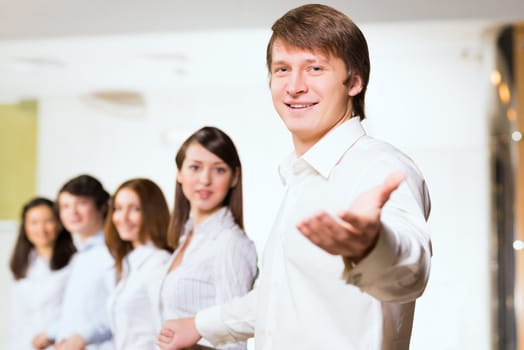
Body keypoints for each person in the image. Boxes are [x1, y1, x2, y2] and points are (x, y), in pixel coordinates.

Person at [157, 4, 432, 350]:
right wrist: (199, 324)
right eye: (282, 69)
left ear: (355, 82)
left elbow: (411, 272)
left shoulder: (380, 167)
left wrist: (371, 246)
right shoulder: (300, 178)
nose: (294, 86)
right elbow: (278, 301)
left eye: (315, 68)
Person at [155, 126, 258, 350]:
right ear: (179, 174)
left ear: (234, 178)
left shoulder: (230, 243)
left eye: (219, 170)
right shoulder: (186, 238)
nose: (205, 180)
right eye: (195, 167)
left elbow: (235, 342)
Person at [32, 174, 114, 350]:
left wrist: (84, 336)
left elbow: (121, 312)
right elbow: (78, 313)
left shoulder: (112, 253)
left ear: (102, 207)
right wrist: (51, 333)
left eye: (82, 203)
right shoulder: (81, 254)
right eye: (65, 206)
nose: (72, 212)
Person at [105, 178, 172, 349]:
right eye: (118, 209)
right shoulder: (129, 263)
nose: (123, 217)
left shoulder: (158, 262)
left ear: (152, 212)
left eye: (135, 209)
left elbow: (165, 330)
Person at [8, 197, 76, 350]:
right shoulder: (21, 264)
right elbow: (16, 318)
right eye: (34, 223)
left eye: (48, 221)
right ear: (25, 227)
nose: (41, 229)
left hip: (61, 344)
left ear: (59, 224)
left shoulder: (75, 262)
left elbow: (76, 313)